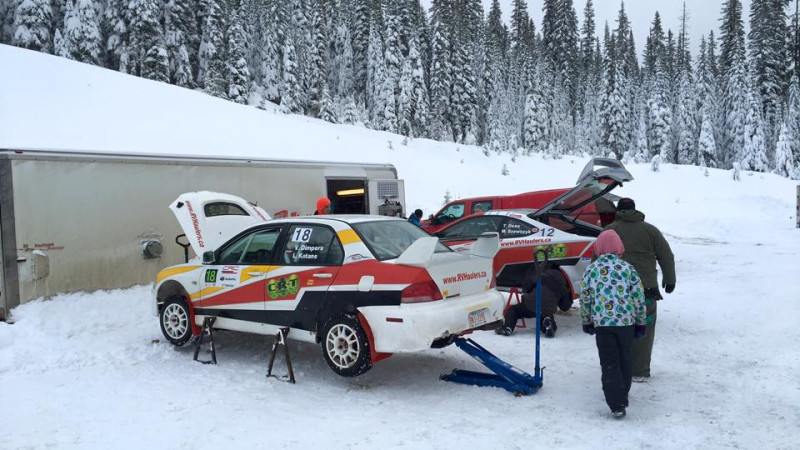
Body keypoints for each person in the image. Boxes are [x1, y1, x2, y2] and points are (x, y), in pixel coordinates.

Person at [605, 198, 676, 383]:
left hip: (616, 291)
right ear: (635, 210)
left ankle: (617, 367)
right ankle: (640, 370)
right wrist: (670, 280)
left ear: (618, 211)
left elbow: (598, 260)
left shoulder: (609, 231)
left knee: (618, 329)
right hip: (646, 290)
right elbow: (666, 255)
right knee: (644, 330)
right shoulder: (650, 230)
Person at [580, 230, 647, 419]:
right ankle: (622, 393)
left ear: (598, 248)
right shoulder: (628, 268)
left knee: (609, 362)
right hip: (626, 323)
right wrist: (641, 323)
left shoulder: (591, 270)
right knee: (625, 358)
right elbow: (638, 298)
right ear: (619, 247)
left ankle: (616, 403)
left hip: (603, 324)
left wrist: (587, 320)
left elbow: (586, 298)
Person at [495, 268, 572, 338]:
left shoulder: (541, 276)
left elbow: (527, 287)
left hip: (531, 303)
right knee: (545, 314)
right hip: (548, 308)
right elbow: (565, 307)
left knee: (513, 310)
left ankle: (508, 328)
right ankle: (547, 323)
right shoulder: (562, 286)